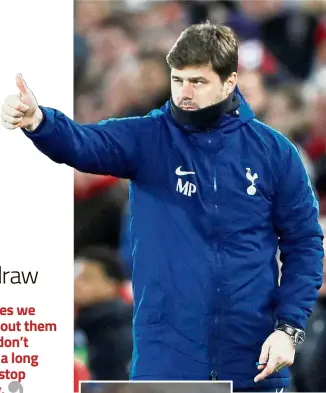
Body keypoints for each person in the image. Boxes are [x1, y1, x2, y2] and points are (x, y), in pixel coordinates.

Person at [1, 22, 324, 392]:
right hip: (168, 358)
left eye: (197, 82)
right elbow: (84, 143)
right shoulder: (148, 137)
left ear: (230, 81)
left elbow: (305, 244)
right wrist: (40, 121)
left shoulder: (275, 152)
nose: (184, 92)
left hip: (255, 357)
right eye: (177, 79)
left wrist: (289, 328)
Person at [74, 245, 133, 380]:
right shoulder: (84, 327)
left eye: (86, 278)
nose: (76, 284)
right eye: (74, 277)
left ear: (112, 285)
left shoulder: (124, 335)